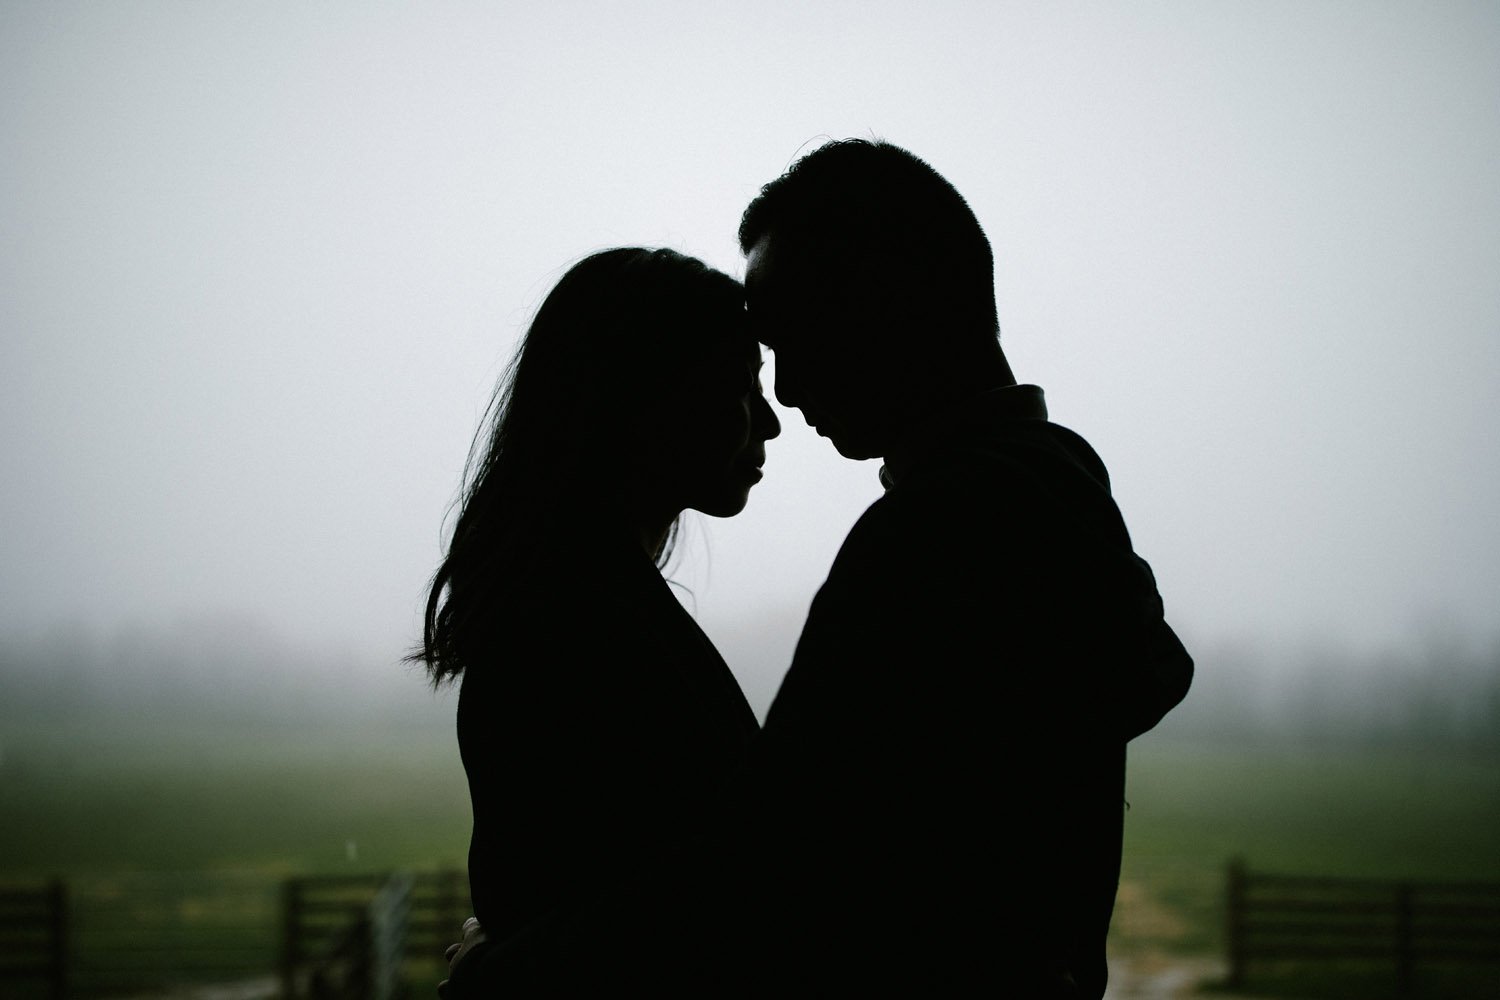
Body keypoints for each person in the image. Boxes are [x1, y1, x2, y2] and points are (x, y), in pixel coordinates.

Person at [443, 141, 1193, 997]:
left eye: (789, 340)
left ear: (882, 305)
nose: (786, 399)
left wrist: (500, 980)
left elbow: (772, 874)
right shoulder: (1051, 483)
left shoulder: (932, 534)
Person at [411, 247, 779, 986]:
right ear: (642, 400)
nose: (769, 422)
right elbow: (673, 911)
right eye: (738, 386)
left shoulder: (576, 603)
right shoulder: (571, 626)